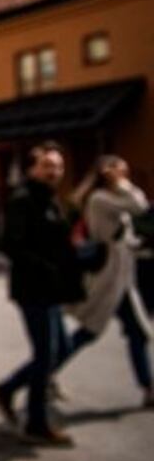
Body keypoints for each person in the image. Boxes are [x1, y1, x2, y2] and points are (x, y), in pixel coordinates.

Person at [0, 142, 84, 446]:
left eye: (57, 165)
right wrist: (44, 268)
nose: (54, 171)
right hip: (33, 289)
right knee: (46, 354)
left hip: (51, 291)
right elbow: (10, 245)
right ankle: (36, 423)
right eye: (47, 165)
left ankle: (7, 389)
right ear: (32, 168)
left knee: (62, 348)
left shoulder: (51, 200)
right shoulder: (23, 199)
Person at [61, 156, 153, 407]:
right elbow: (140, 207)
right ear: (107, 172)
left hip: (123, 279)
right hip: (109, 279)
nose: (125, 174)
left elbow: (127, 234)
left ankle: (148, 387)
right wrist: (122, 184)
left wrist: (138, 246)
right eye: (120, 170)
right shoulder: (100, 199)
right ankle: (39, 374)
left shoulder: (110, 199)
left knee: (138, 333)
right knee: (87, 334)